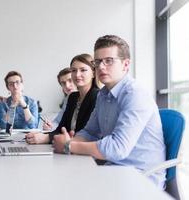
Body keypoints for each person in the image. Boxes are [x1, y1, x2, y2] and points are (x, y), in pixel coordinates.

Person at [53, 35, 166, 189]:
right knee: (60, 182)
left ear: (125, 64)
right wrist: (69, 142)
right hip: (112, 170)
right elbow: (89, 132)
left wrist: (68, 146)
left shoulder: (135, 94)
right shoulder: (103, 94)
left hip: (140, 178)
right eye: (97, 62)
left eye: (109, 61)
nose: (101, 67)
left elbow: (117, 149)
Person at [26, 54, 99, 144]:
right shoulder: (73, 97)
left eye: (83, 70)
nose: (77, 74)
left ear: (93, 73)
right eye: (73, 70)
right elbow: (61, 129)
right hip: (69, 149)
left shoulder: (98, 96)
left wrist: (46, 138)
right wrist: (44, 136)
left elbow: (85, 135)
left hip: (86, 152)